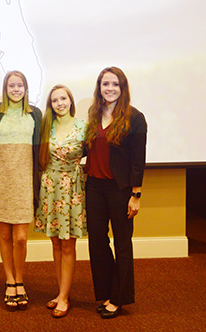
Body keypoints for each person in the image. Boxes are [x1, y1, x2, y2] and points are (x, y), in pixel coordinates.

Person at [84, 67, 147, 319]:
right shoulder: (94, 114)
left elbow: (137, 160)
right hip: (94, 188)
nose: (109, 88)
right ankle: (108, 293)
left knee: (122, 244)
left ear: (123, 88)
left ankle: (119, 299)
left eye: (115, 84)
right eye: (105, 84)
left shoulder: (135, 118)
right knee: (97, 243)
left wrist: (136, 195)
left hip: (120, 191)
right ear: (99, 87)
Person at [0, 71, 42, 312]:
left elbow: (39, 152)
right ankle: (10, 280)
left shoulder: (35, 114)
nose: (16, 89)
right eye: (11, 85)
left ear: (26, 89)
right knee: (5, 236)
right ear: (5, 88)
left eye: (20, 85)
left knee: (21, 237)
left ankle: (21, 277)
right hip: (1, 180)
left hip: (25, 182)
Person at [34, 84, 87, 318]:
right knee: (55, 242)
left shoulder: (84, 127)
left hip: (72, 190)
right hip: (50, 187)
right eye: (55, 100)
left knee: (68, 244)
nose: (60, 103)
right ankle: (60, 292)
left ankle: (65, 297)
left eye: (63, 98)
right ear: (50, 104)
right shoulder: (46, 126)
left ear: (70, 100)